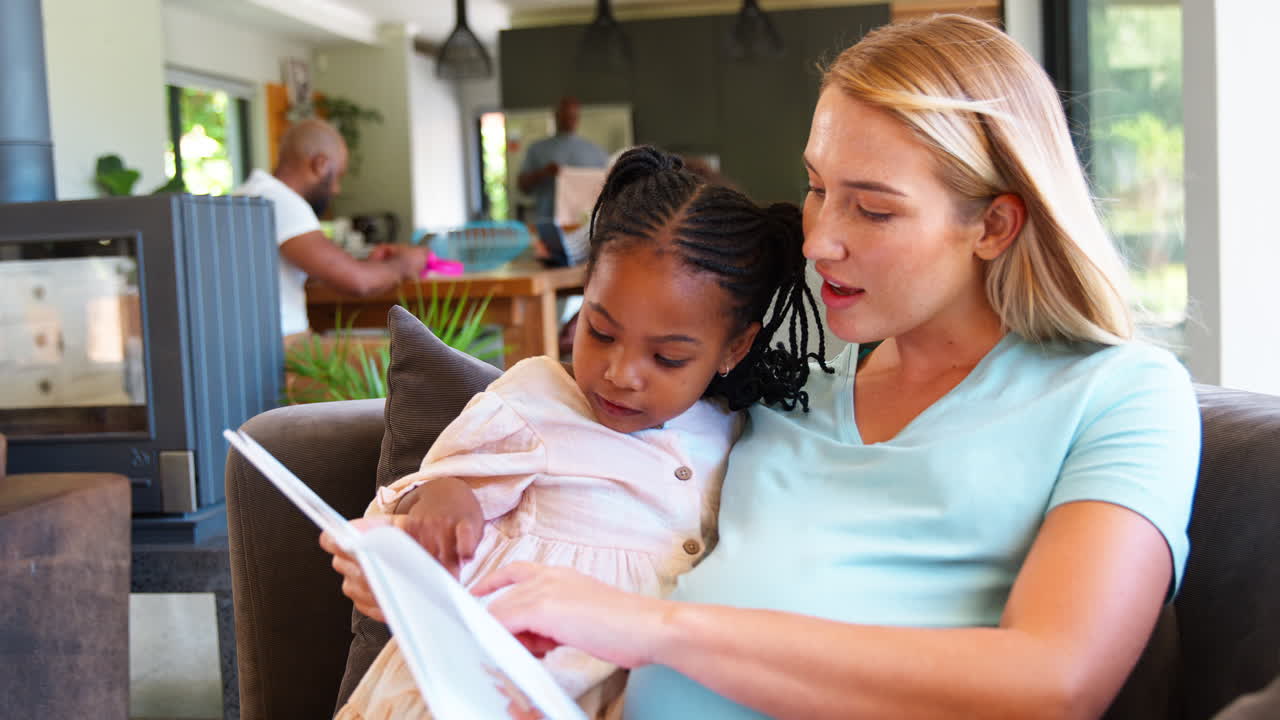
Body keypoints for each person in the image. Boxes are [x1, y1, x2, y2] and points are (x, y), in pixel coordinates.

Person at [330, 15, 1201, 719]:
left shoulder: (1120, 395)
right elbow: (582, 469)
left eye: (874, 209)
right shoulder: (781, 384)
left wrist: (652, 631)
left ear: (995, 226)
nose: (819, 238)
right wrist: (421, 561)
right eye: (819, 186)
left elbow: (1052, 682)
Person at [327, 146, 827, 719]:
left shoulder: (742, 434)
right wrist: (442, 502)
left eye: (666, 358)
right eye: (600, 331)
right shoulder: (538, 397)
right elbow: (439, 486)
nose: (619, 374)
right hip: (490, 687)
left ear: (733, 349)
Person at [234, 118, 427, 341]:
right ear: (321, 164)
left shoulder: (247, 193)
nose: (336, 189)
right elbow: (358, 282)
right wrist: (403, 265)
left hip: (250, 345)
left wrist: (370, 266)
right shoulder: (281, 201)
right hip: (282, 346)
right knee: (404, 363)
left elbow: (324, 271)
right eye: (338, 176)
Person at [517, 97, 609, 223]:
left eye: (572, 116)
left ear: (578, 118)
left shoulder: (596, 152)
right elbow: (522, 186)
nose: (568, 120)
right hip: (547, 223)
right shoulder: (537, 149)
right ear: (555, 116)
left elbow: (607, 186)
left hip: (584, 224)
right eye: (564, 116)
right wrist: (544, 173)